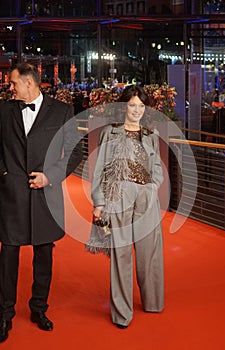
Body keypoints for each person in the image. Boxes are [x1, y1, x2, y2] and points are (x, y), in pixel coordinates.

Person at [0, 62, 82, 342]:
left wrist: (51, 176)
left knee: (44, 255)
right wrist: (4, 173)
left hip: (46, 196)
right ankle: (4, 314)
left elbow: (74, 152)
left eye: (13, 83)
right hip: (10, 195)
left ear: (30, 83)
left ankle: (39, 308)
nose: (10, 87)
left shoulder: (62, 111)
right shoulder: (3, 110)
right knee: (7, 256)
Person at [87, 85, 164, 329]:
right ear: (123, 106)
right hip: (118, 195)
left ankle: (153, 302)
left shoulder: (150, 133)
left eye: (141, 106)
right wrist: (99, 202)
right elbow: (99, 169)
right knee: (121, 255)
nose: (137, 110)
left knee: (149, 253)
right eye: (132, 105)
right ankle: (122, 313)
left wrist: (152, 187)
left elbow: (158, 169)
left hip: (146, 196)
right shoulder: (110, 133)